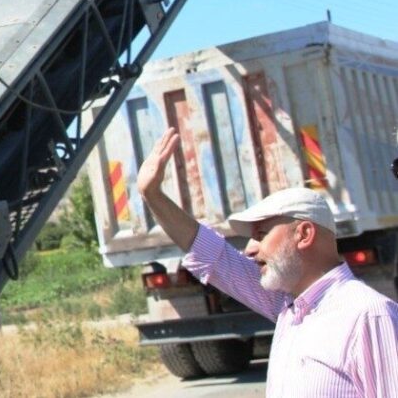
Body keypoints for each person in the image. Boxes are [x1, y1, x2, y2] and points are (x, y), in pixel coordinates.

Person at [137, 127, 398, 397]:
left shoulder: (368, 316)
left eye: (260, 234)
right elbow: (212, 255)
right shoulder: (287, 306)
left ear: (304, 234)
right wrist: (152, 195)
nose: (250, 249)